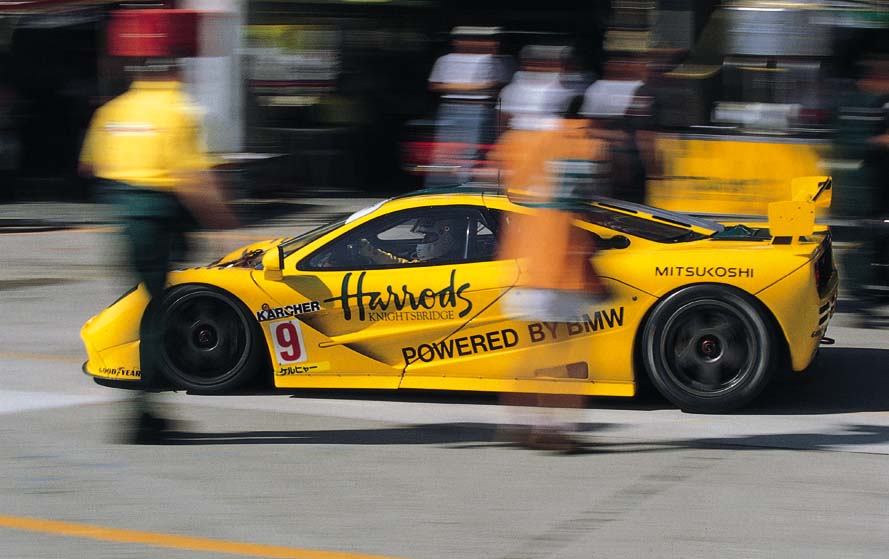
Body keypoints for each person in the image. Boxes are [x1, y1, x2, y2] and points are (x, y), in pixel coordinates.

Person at [79, 57, 238, 443]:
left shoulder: (112, 110)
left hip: (128, 221)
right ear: (175, 73)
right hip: (160, 222)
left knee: (149, 307)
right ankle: (144, 416)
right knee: (158, 315)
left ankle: (148, 409)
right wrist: (221, 221)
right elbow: (193, 178)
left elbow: (90, 165)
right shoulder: (179, 110)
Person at [489, 95, 610, 452]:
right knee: (569, 355)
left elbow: (507, 173)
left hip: (529, 263)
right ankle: (554, 431)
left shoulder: (528, 140)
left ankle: (519, 422)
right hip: (564, 267)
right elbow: (588, 198)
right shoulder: (587, 143)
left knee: (535, 350)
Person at [425, 26, 513, 187]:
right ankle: (440, 188)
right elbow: (434, 85)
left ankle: (464, 187)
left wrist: (458, 87)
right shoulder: (445, 60)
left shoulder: (496, 60)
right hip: (451, 107)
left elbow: (499, 84)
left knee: (473, 152)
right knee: (446, 152)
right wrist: (476, 87)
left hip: (481, 108)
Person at [357, 217, 465, 265]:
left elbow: (400, 267)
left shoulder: (441, 267)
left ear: (445, 239)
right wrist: (374, 253)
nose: (424, 240)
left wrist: (374, 254)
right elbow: (400, 264)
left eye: (429, 236)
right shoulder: (430, 262)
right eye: (425, 236)